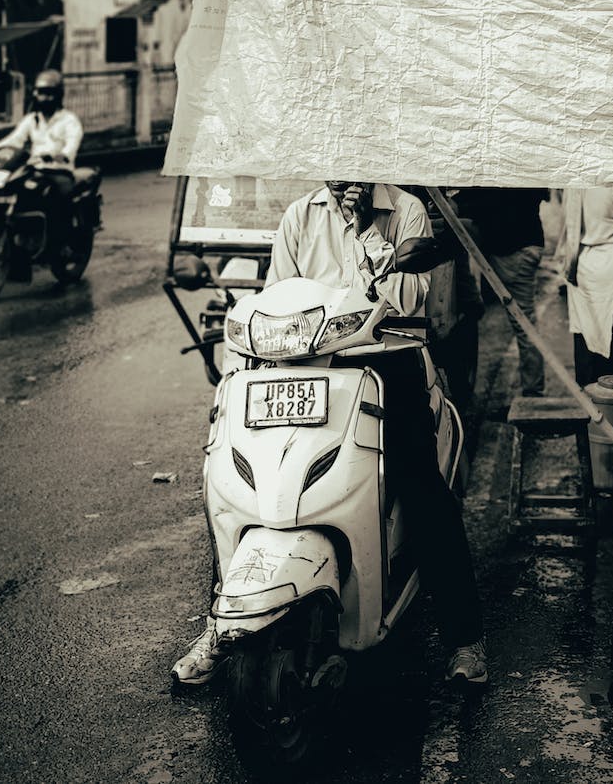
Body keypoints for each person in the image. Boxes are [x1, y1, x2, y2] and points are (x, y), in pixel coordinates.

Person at [171, 180, 488, 686]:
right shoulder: (299, 215)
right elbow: (277, 296)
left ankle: (464, 637)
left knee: (421, 485)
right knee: (237, 485)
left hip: (386, 361)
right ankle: (220, 621)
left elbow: (408, 300)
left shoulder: (405, 212)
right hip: (301, 368)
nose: (343, 179)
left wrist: (366, 233)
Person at [453, 187, 549, 397]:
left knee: (523, 323)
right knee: (524, 322)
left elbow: (491, 200)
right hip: (522, 245)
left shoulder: (503, 178)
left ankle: (533, 391)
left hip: (516, 249)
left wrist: (458, 204)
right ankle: (533, 388)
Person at [562, 187, 613, 386]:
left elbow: (570, 231)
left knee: (590, 353)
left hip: (584, 265)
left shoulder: (575, 182)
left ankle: (594, 408)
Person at [0, 70, 82, 242]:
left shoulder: (69, 120)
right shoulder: (32, 119)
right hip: (34, 169)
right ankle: (24, 237)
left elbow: (72, 145)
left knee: (57, 202)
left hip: (59, 172)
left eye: (49, 94)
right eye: (40, 93)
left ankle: (59, 241)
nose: (44, 98)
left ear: (58, 95)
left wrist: (61, 155)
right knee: (15, 195)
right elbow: (15, 139)